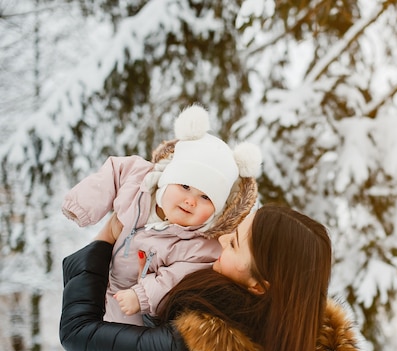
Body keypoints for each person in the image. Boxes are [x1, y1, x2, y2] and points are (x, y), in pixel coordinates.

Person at [60, 205, 363, 351]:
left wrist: (106, 237)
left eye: (233, 244)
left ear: (259, 285)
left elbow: (78, 333)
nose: (220, 240)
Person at [62, 104, 262, 325]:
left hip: (135, 305)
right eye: (185, 186)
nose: (190, 201)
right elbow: (114, 171)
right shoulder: (141, 183)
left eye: (205, 197)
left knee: (113, 342)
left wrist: (141, 296)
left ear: (218, 209)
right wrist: (83, 205)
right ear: (169, 178)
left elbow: (174, 279)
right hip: (104, 278)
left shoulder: (202, 247)